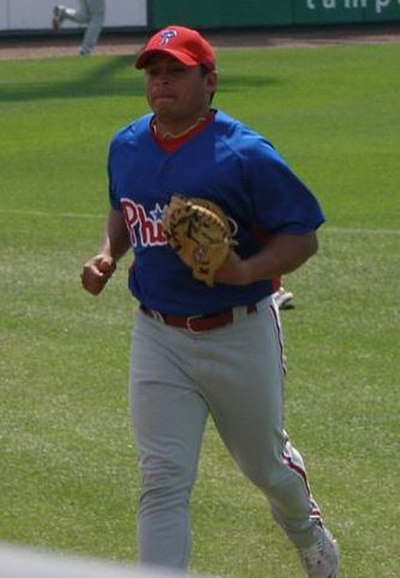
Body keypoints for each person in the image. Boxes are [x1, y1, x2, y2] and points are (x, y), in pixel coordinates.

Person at [81, 25, 339, 578]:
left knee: (266, 468)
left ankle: (307, 532)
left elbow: (302, 236)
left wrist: (245, 269)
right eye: (154, 72)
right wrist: (107, 253)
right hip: (157, 335)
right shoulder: (126, 145)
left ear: (209, 80)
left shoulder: (245, 154)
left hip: (239, 331)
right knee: (163, 477)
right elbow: (123, 209)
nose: (162, 82)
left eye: (176, 71)